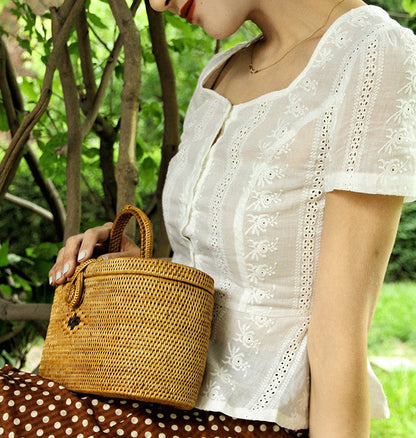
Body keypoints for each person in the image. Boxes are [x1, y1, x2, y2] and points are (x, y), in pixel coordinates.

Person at [1, 0, 416, 437]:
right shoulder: (220, 71)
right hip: (155, 393)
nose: (159, 4)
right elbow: (209, 273)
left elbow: (340, 340)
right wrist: (134, 267)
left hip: (247, 423)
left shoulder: (374, 52)